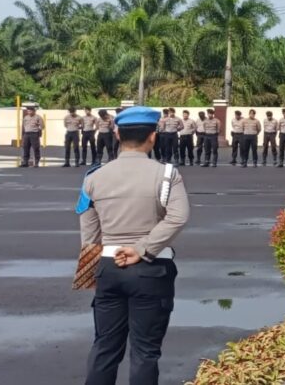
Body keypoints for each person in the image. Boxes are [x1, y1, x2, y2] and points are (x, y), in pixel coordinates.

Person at [78, 105, 190, 385]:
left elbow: (89, 230)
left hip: (108, 267)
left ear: (116, 134)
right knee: (145, 351)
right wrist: (141, 249)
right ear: (153, 136)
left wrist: (91, 275)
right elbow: (178, 217)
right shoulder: (166, 175)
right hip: (151, 269)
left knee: (104, 347)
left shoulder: (93, 177)